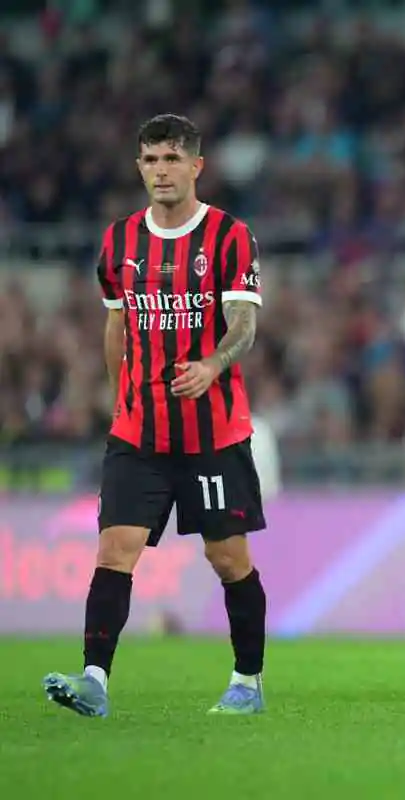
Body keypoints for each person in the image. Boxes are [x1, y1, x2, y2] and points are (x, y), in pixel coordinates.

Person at [43, 114, 269, 717]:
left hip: (212, 433)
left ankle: (247, 681)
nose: (161, 171)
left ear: (197, 166)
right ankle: (95, 680)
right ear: (139, 166)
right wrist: (124, 398)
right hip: (139, 433)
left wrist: (213, 366)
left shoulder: (229, 236)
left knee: (228, 559)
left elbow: (244, 324)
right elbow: (116, 325)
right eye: (150, 160)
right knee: (115, 549)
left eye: (172, 159)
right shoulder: (118, 242)